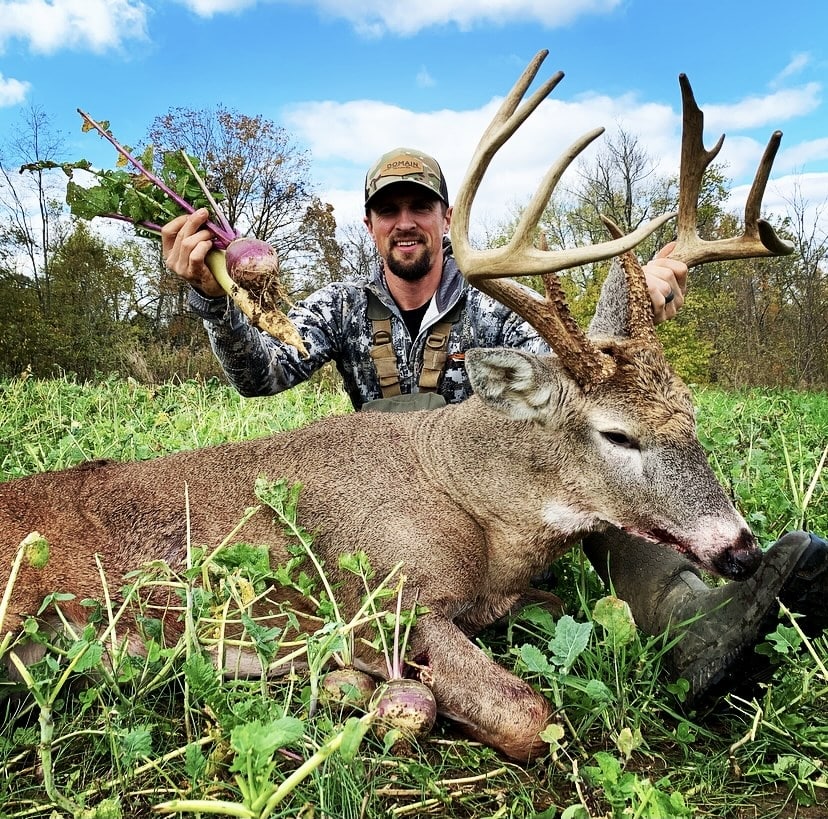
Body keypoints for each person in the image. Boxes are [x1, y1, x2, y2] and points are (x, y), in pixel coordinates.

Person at [162, 147, 827, 706]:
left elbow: (584, 376)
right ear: (370, 225)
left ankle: (686, 623)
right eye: (389, 210)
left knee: (593, 456)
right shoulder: (340, 305)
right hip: (396, 505)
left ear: (445, 219)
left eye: (420, 207)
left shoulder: (497, 304)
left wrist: (631, 295)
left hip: (498, 496)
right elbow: (262, 373)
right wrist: (213, 301)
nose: (405, 222)